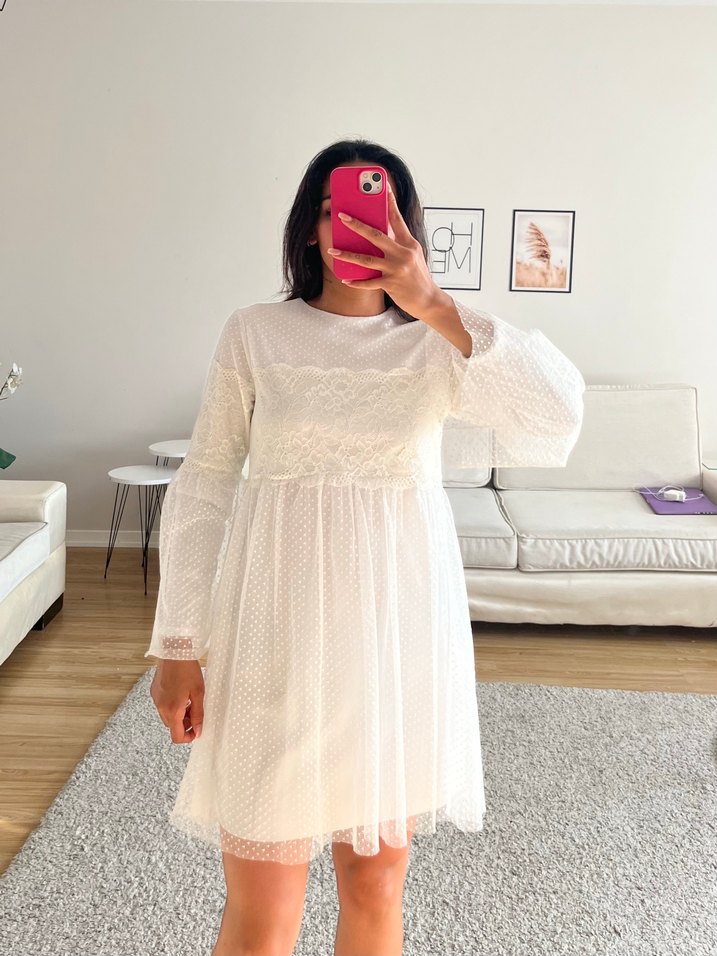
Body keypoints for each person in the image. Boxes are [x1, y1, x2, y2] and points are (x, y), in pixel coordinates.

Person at [146, 138, 586, 956]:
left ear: (406, 228)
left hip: (396, 642)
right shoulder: (255, 333)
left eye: (374, 214)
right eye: (331, 210)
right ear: (308, 228)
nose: (349, 229)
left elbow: (556, 418)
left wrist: (436, 304)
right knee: (263, 902)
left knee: (376, 886)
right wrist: (177, 646)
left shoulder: (437, 341)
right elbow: (204, 483)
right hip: (274, 632)